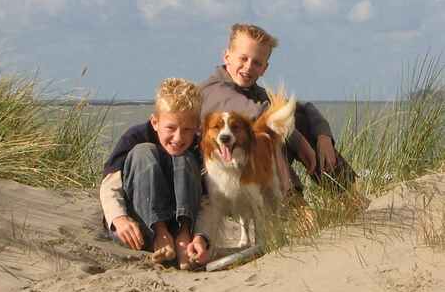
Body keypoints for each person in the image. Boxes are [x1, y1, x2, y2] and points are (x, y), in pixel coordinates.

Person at [200, 23, 356, 194]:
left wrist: (323, 136)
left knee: (299, 118)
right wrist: (299, 142)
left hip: (248, 176)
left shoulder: (256, 93)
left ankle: (346, 191)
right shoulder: (213, 89)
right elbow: (255, 114)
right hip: (215, 182)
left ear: (265, 68)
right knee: (264, 134)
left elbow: (302, 108)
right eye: (243, 58)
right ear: (227, 56)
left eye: (257, 63)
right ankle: (294, 204)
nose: (248, 67)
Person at [100, 77, 209, 269]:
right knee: (144, 152)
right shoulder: (134, 136)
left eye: (187, 130)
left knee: (184, 158)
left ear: (197, 127)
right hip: (141, 225)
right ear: (155, 122)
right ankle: (160, 234)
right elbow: (110, 184)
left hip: (183, 225)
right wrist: (119, 218)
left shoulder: (198, 147)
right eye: (170, 128)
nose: (178, 137)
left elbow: (208, 202)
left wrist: (200, 237)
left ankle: (182, 239)